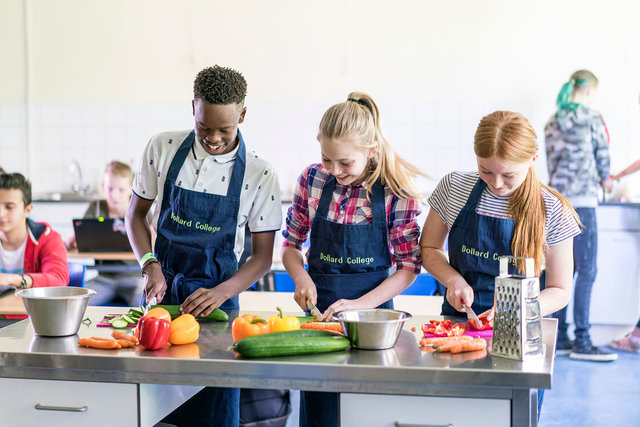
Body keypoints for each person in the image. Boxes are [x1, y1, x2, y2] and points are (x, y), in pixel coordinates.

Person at [126, 65, 282, 427]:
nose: (213, 138)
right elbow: (134, 216)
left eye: (225, 129)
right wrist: (149, 264)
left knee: (215, 413)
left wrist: (220, 292)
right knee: (153, 411)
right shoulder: (161, 148)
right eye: (203, 127)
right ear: (192, 109)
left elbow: (261, 258)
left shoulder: (261, 173)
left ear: (242, 115)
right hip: (160, 302)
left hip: (220, 311)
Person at [421, 111, 581, 416]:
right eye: (486, 171)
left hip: (522, 338)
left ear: (533, 160)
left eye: (508, 175)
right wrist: (452, 280)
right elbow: (429, 248)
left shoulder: (554, 209)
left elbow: (560, 290)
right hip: (457, 326)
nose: (496, 183)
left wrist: (516, 310)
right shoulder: (455, 188)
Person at [281, 92, 424, 427]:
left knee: (368, 412)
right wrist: (301, 279)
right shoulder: (313, 179)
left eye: (345, 163)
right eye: (327, 159)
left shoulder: (396, 190)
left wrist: (359, 307)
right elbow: (290, 246)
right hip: (319, 320)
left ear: (371, 149)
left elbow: (407, 269)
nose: (335, 170)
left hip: (374, 326)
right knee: (321, 412)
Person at [544, 70, 617, 362]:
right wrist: (606, 180)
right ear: (589, 92)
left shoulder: (553, 121)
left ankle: (559, 337)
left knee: (562, 273)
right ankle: (583, 342)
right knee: (587, 271)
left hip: (558, 204)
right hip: (584, 202)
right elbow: (603, 158)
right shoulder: (591, 118)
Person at [67, 161, 149, 306]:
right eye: (110, 189)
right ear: (103, 187)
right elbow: (72, 241)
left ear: (131, 189)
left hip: (135, 278)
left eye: (121, 190)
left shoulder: (140, 210)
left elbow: (155, 244)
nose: (114, 195)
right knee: (75, 303)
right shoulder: (96, 208)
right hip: (104, 278)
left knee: (143, 304)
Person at [0, 172, 69, 291]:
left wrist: (12, 279)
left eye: (9, 207)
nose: (1, 214)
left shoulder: (48, 238)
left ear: (27, 210)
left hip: (31, 309)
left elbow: (59, 279)